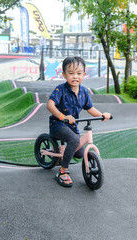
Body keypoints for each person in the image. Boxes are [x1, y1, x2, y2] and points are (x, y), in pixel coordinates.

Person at [47, 56, 111, 187]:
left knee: (80, 153)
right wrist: (62, 116)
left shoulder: (84, 92)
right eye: (71, 73)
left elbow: (90, 108)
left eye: (78, 73)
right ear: (64, 75)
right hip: (58, 125)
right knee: (74, 141)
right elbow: (50, 105)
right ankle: (63, 171)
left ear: (84, 74)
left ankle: (63, 154)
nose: (75, 76)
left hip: (72, 126)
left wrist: (102, 115)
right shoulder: (61, 89)